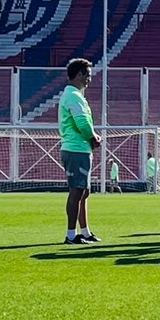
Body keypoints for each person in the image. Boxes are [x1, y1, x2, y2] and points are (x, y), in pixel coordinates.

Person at [59, 58, 101, 244]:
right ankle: (70, 234)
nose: (89, 79)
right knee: (77, 191)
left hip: (79, 148)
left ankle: (84, 231)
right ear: (79, 75)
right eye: (88, 75)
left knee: (84, 192)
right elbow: (82, 122)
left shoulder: (72, 95)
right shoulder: (74, 96)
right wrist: (93, 137)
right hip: (76, 149)